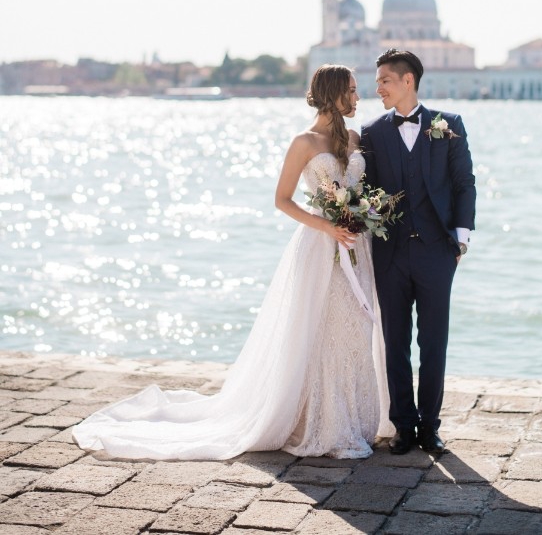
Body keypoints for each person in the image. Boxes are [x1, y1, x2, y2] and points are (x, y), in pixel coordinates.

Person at [73, 65, 393, 460]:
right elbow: (283, 199)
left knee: (354, 330)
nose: (359, 98)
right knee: (324, 331)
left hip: (356, 247)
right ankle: (324, 423)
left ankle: (356, 419)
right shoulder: (304, 142)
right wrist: (328, 227)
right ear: (333, 94)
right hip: (321, 246)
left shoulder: (356, 137)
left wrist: (360, 216)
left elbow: (360, 189)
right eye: (352, 91)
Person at [360, 48, 476, 455]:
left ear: (408, 81)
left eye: (384, 81)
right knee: (395, 342)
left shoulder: (449, 125)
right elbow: (366, 192)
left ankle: (430, 427)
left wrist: (460, 239)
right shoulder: (372, 132)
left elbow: (464, 184)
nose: (378, 89)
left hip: (437, 253)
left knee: (434, 342)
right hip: (389, 254)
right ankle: (403, 427)